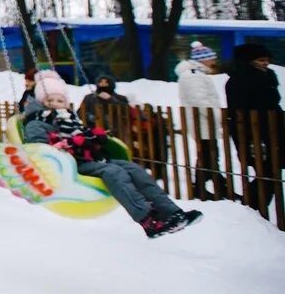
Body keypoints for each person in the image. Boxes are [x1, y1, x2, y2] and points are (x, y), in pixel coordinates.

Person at [23, 70, 199, 238]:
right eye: (50, 100)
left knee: (134, 169)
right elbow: (41, 150)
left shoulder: (71, 119)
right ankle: (147, 220)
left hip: (90, 157)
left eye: (59, 100)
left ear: (66, 103)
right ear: (41, 102)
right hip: (70, 165)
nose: (55, 103)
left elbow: (84, 136)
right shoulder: (37, 122)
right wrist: (69, 144)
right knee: (114, 172)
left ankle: (171, 212)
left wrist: (95, 137)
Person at [225, 43, 282, 210]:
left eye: (267, 60)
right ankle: (250, 208)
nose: (265, 63)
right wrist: (250, 138)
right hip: (253, 133)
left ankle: (251, 208)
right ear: (248, 61)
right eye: (260, 60)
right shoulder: (239, 80)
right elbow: (240, 110)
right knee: (268, 173)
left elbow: (273, 102)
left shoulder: (267, 77)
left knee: (270, 173)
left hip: (272, 131)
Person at [176, 42, 224, 198]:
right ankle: (201, 188)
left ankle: (212, 185)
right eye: (211, 58)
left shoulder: (196, 74)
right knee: (207, 154)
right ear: (203, 59)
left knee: (209, 154)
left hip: (203, 122)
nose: (213, 61)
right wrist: (218, 117)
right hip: (202, 122)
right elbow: (200, 100)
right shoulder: (193, 76)